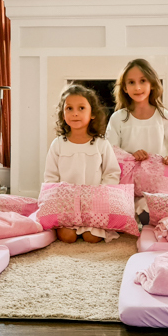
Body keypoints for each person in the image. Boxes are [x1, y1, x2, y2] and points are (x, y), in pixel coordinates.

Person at [44, 84, 121, 243]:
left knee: (92, 238)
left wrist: (100, 195)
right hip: (67, 204)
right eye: (69, 108)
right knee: (68, 237)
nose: (75, 113)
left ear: (92, 113)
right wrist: (59, 198)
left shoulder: (101, 144)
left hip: (94, 204)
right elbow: (51, 177)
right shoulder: (58, 144)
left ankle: (89, 225)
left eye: (81, 108)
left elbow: (112, 173)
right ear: (63, 114)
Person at [106, 59, 168, 165]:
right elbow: (110, 150)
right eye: (131, 82)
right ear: (125, 88)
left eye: (143, 81)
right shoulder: (117, 118)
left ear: (152, 84)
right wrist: (131, 156)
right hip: (128, 173)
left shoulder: (163, 116)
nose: (137, 88)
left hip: (159, 172)